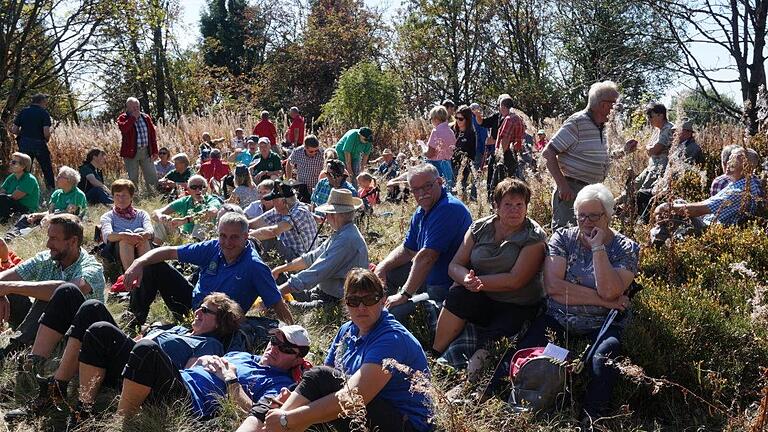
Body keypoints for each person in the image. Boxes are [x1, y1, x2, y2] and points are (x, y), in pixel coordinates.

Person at [240, 269, 431, 432]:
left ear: (382, 300)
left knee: (312, 386)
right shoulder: (347, 330)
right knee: (283, 393)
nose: (362, 307)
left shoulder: (391, 339)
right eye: (354, 301)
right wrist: (293, 400)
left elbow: (354, 397)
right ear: (346, 303)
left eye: (370, 299)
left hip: (403, 423)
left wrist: (287, 419)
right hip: (360, 412)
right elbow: (324, 385)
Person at [4, 292, 242, 423]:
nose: (198, 311)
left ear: (220, 322)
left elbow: (187, 375)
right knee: (80, 300)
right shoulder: (179, 330)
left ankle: (78, 407)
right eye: (199, 307)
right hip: (131, 353)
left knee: (98, 327)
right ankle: (51, 385)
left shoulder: (209, 344)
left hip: (144, 375)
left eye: (206, 311)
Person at [516, 183, 640, 422]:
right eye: (581, 215)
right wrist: (606, 302)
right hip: (559, 317)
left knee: (603, 360)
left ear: (608, 215)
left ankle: (591, 419)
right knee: (527, 348)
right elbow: (553, 288)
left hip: (600, 324)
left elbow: (610, 290)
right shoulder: (563, 238)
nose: (587, 222)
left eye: (594, 215)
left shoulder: (626, 248)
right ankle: (503, 398)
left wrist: (598, 249)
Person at [432, 178, 546, 362]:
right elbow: (454, 265)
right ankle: (435, 352)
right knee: (458, 296)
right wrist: (466, 280)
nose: (514, 210)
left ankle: (473, 377)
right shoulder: (479, 228)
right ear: (496, 206)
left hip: (517, 304)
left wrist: (478, 283)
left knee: (491, 344)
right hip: (482, 296)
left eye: (520, 204)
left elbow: (515, 280)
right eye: (508, 204)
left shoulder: (533, 236)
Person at [123, 212, 293, 327]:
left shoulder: (255, 266)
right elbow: (169, 251)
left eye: (234, 237)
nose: (227, 242)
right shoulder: (212, 247)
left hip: (219, 322)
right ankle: (134, 321)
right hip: (191, 305)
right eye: (223, 236)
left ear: (246, 237)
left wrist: (294, 336)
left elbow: (277, 304)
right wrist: (138, 262)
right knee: (153, 264)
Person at [118, 325, 309, 422]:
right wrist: (201, 360)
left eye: (285, 348)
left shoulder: (279, 384)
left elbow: (258, 416)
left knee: (147, 349)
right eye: (274, 341)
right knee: (100, 327)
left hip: (187, 400)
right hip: (179, 377)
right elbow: (193, 368)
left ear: (298, 359)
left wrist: (231, 380)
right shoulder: (241, 355)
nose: (274, 348)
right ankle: (87, 404)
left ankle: (122, 421)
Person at [378, 163, 472, 324]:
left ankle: (385, 323)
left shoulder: (448, 209)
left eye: (427, 186)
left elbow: (427, 257)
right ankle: (376, 308)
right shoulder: (423, 211)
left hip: (445, 288)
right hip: (429, 280)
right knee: (390, 272)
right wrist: (383, 266)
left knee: (394, 312)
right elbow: (408, 249)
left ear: (440, 182)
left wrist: (405, 294)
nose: (422, 193)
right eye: (416, 189)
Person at [0, 214, 105, 359]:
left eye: (54, 239)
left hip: (74, 336)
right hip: (40, 325)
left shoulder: (92, 269)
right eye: (49, 237)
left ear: (73, 241)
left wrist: (8, 286)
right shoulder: (45, 259)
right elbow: (4, 279)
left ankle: (13, 349)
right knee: (11, 291)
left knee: (54, 294)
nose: (48, 244)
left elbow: (67, 290)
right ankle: (21, 345)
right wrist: (3, 292)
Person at [542, 81, 637, 229]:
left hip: (592, 191)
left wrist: (624, 150)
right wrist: (562, 185)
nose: (618, 109)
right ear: (604, 105)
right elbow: (548, 153)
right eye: (616, 104)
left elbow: (603, 157)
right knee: (566, 236)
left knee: (589, 238)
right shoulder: (577, 122)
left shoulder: (604, 127)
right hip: (572, 190)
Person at [272, 189, 368, 309]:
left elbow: (316, 272)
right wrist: (281, 269)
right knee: (279, 280)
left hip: (335, 299)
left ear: (334, 215)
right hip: (321, 291)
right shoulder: (342, 233)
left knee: (283, 306)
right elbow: (312, 257)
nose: (326, 218)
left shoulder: (346, 240)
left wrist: (276, 294)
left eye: (327, 214)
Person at [655, 147, 763, 226]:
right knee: (679, 203)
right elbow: (707, 204)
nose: (728, 163)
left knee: (672, 212)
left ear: (746, 166)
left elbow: (700, 210)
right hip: (710, 223)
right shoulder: (747, 182)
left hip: (711, 229)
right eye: (729, 158)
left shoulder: (739, 190)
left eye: (734, 159)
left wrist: (667, 207)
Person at [4, 166, 86, 242]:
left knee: (49, 224)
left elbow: (69, 215)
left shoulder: (77, 195)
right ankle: (10, 236)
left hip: (68, 223)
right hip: (52, 218)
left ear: (68, 180)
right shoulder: (57, 193)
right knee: (26, 217)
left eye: (60, 176)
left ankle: (26, 235)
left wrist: (50, 217)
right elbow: (50, 212)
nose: (57, 178)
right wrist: (37, 215)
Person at [249, 181, 318, 262]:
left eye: (274, 200)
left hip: (302, 259)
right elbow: (254, 223)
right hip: (292, 253)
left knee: (269, 238)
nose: (272, 203)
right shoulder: (282, 209)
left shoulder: (299, 211)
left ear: (283, 201)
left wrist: (246, 236)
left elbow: (273, 231)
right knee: (258, 234)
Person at [632, 102, 674, 220]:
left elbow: (655, 149)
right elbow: (649, 149)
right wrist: (650, 149)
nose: (649, 119)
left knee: (644, 193)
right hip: (651, 166)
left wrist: (651, 149)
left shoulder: (668, 129)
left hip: (659, 168)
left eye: (651, 116)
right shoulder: (657, 130)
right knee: (634, 186)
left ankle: (643, 220)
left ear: (661, 115)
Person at [99, 179, 153, 270]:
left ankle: (147, 273)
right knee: (125, 238)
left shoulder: (142, 214)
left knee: (140, 232)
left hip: (142, 247)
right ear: (113, 197)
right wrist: (124, 236)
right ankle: (130, 275)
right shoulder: (108, 216)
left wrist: (143, 235)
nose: (120, 199)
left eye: (124, 195)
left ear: (131, 197)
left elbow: (150, 231)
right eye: (117, 195)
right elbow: (108, 236)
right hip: (119, 251)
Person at [152, 174, 222, 242]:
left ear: (206, 189)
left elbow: (212, 211)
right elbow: (156, 212)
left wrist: (185, 220)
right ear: (188, 189)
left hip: (206, 239)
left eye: (201, 187)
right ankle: (155, 247)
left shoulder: (211, 200)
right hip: (185, 237)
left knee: (204, 218)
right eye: (194, 187)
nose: (198, 190)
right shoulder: (185, 201)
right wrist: (162, 217)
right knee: (161, 221)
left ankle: (195, 247)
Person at [11, 93, 55, 191]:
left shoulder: (23, 112)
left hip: (24, 143)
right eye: (45, 102)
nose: (46, 104)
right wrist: (47, 139)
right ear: (42, 101)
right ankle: (51, 190)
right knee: (46, 168)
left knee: (23, 169)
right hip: (39, 144)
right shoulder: (44, 113)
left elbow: (14, 130)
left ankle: (20, 189)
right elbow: (46, 132)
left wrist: (22, 135)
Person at [117, 97, 159, 193]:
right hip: (131, 153)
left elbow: (152, 135)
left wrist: (155, 151)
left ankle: (154, 194)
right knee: (133, 177)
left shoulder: (146, 117)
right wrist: (133, 118)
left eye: (137, 106)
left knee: (151, 175)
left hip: (146, 151)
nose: (136, 109)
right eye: (133, 107)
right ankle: (133, 196)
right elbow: (124, 129)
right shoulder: (123, 118)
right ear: (127, 108)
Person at [0, 152, 40, 222]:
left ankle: (3, 221)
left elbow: (14, 197)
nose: (10, 164)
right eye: (11, 161)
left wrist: (3, 196)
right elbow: (2, 192)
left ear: (23, 166)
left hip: (26, 210)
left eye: (14, 162)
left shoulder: (29, 179)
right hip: (11, 204)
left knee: (3, 199)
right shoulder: (12, 177)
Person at [425, 105, 457, 189]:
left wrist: (424, 151)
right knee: (447, 187)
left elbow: (430, 153)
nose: (431, 121)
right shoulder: (450, 131)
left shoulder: (435, 131)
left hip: (436, 164)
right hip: (448, 163)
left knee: (436, 189)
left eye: (431, 119)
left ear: (436, 119)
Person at [452, 104, 477, 201]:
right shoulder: (453, 131)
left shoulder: (471, 134)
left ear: (467, 119)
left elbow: (472, 153)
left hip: (464, 166)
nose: (458, 121)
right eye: (456, 118)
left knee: (460, 187)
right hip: (451, 163)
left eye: (461, 119)